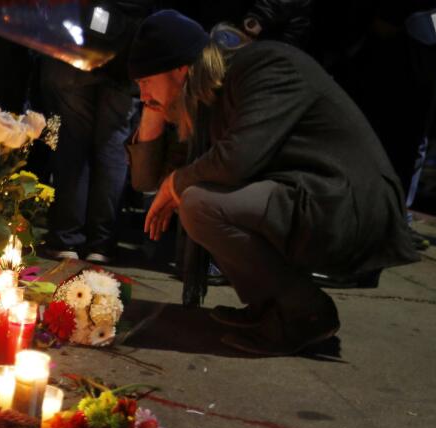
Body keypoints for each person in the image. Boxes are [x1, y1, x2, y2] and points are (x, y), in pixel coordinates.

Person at [124, 10, 419, 355]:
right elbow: (145, 181)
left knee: (200, 203)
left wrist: (177, 181)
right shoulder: (204, 101)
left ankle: (306, 314)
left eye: (145, 82)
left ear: (180, 69)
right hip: (307, 197)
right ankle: (271, 307)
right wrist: (153, 111)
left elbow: (237, 160)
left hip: (344, 203)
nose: (142, 94)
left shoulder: (263, 65)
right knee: (196, 195)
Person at [41, 1, 154, 263]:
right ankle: (101, 244)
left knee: (71, 142)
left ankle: (67, 238)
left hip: (74, 41)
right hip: (124, 48)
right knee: (114, 146)